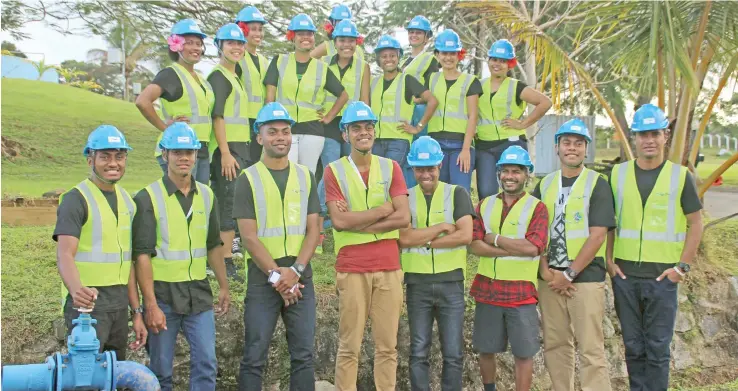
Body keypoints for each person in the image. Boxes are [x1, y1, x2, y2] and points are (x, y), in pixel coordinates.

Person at [607, 104, 703, 391]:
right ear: (634, 138)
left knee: (658, 350)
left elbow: (695, 224)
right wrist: (610, 261)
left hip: (663, 277)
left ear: (666, 136)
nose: (649, 140)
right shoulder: (617, 175)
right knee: (633, 347)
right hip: (625, 276)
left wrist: (681, 267)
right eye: (642, 134)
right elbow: (608, 223)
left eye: (655, 134)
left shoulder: (681, 176)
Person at [133, 122, 230, 391]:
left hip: (198, 292)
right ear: (164, 155)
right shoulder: (147, 198)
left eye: (189, 152)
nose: (184, 158)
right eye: (176, 152)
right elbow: (141, 255)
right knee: (161, 369)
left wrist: (223, 285)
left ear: (197, 154)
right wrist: (149, 304)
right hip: (163, 295)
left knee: (207, 364)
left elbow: (213, 245)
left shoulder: (208, 196)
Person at [234, 102, 321, 391]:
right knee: (254, 355)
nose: (280, 137)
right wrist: (277, 277)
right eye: (272, 132)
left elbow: (313, 229)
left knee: (304, 356)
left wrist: (295, 271)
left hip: (300, 274)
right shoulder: (247, 179)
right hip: (263, 277)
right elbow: (248, 237)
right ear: (259, 137)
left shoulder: (305, 175)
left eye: (285, 131)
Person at [324, 102, 410, 391]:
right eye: (356, 128)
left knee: (388, 348)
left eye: (368, 127)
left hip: (389, 267)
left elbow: (404, 216)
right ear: (345, 134)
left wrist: (357, 221)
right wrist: (384, 209)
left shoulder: (391, 167)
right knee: (349, 347)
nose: (364, 132)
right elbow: (338, 221)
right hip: (352, 267)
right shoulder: (333, 171)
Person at [533, 119, 614, 391]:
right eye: (566, 142)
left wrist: (569, 275)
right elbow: (535, 233)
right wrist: (546, 272)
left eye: (578, 143)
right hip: (550, 279)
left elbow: (598, 235)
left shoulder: (598, 184)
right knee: (556, 346)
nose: (572, 148)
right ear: (557, 147)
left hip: (585, 279)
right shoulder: (544, 185)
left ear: (586, 149)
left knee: (591, 348)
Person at [53, 125, 146, 361]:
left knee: (113, 373)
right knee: (86, 378)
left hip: (119, 302)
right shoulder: (76, 199)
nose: (113, 163)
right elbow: (64, 254)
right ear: (90, 159)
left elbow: (128, 263)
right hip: (86, 304)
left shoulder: (128, 201)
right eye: (105, 156)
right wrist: (76, 290)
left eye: (119, 156)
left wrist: (136, 312)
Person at [469, 145, 549, 391]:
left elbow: (533, 247)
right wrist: (513, 247)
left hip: (521, 293)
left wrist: (495, 239)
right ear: (498, 173)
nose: (510, 176)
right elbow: (474, 245)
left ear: (527, 174)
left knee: (524, 352)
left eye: (516, 171)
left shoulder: (537, 207)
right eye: (505, 171)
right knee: (485, 348)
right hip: (487, 288)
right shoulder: (483, 205)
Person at [399, 136, 473, 391]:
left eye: (430, 168)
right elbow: (403, 238)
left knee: (453, 352)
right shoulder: (405, 197)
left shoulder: (457, 193)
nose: (425, 174)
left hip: (450, 282)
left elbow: (465, 235)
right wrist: (441, 229)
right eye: (420, 169)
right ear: (412, 169)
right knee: (418, 351)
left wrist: (426, 241)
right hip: (417, 283)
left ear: (440, 166)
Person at [264, 13, 349, 174]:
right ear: (292, 37)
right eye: (300, 34)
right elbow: (270, 98)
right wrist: (271, 124)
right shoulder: (279, 61)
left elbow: (343, 95)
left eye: (309, 34)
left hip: (313, 131)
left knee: (307, 175)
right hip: (284, 128)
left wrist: (329, 117)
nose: (305, 37)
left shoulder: (321, 68)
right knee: (286, 172)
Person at [316, 18, 371, 252]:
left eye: (350, 40)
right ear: (334, 42)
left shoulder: (363, 66)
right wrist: (323, 113)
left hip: (353, 126)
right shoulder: (322, 63)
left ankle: (347, 220)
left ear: (356, 42)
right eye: (341, 40)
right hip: (328, 125)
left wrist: (364, 127)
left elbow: (365, 99)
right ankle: (316, 222)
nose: (346, 45)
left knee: (350, 171)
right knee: (330, 170)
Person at [135, 19, 214, 183]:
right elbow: (143, 101)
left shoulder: (201, 79)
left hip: (200, 150)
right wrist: (165, 127)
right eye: (189, 43)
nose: (196, 48)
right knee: (182, 203)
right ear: (177, 46)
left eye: (199, 44)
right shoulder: (171, 74)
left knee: (200, 202)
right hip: (179, 151)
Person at [476, 39, 552, 199]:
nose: (497, 64)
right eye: (494, 59)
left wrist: (523, 123)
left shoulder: (515, 86)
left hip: (510, 144)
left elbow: (545, 102)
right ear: (488, 61)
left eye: (503, 61)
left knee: (513, 192)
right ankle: (488, 224)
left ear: (510, 64)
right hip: (484, 146)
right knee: (485, 193)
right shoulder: (478, 85)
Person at [207, 23, 249, 280]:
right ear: (219, 46)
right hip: (228, 151)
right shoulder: (219, 77)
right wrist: (224, 152)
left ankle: (226, 257)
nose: (236, 47)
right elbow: (218, 116)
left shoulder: (235, 76)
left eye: (240, 43)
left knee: (232, 202)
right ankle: (221, 261)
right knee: (227, 204)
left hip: (237, 148)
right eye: (230, 43)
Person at [371, 34, 438, 187]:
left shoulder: (406, 80)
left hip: (398, 141)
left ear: (399, 57)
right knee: (378, 180)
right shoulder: (374, 83)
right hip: (376, 141)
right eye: (384, 56)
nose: (388, 59)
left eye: (393, 55)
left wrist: (418, 127)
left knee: (387, 178)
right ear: (379, 60)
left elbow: (432, 101)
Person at [426, 29, 482, 193]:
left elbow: (473, 117)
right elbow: (419, 99)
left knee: (459, 193)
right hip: (436, 146)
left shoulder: (470, 81)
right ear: (437, 54)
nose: (448, 57)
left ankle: (463, 220)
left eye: (452, 53)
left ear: (459, 55)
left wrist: (466, 150)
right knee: (437, 193)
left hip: (460, 146)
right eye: (444, 53)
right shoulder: (431, 79)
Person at [234, 5, 269, 163]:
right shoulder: (237, 58)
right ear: (242, 30)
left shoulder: (263, 61)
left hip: (259, 122)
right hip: (241, 121)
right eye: (253, 29)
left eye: (260, 29)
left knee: (254, 164)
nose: (258, 33)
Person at [402, 15, 440, 152]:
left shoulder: (431, 60)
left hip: (419, 113)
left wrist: (417, 99)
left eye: (418, 32)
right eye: (411, 32)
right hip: (405, 114)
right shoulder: (403, 61)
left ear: (427, 37)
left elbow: (433, 92)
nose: (414, 35)